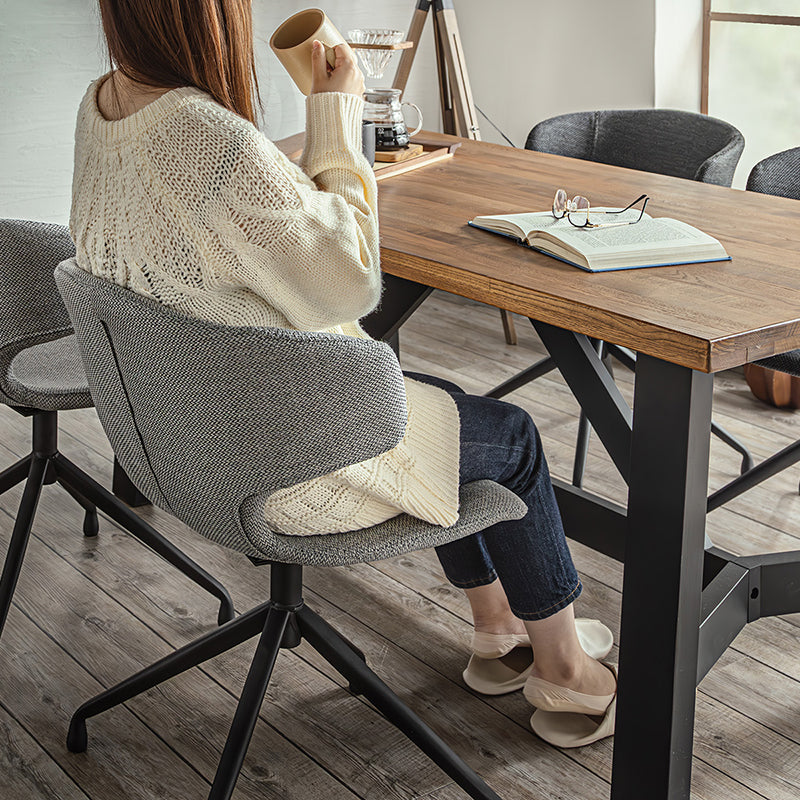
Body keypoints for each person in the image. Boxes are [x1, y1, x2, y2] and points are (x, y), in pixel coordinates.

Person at [70, 0, 616, 748]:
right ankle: (565, 669)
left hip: (187, 441)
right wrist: (334, 113)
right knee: (512, 440)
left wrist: (291, 180)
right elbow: (355, 280)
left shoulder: (101, 105)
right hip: (284, 462)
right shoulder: (209, 137)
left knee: (442, 407)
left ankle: (496, 629)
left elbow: (221, 232)